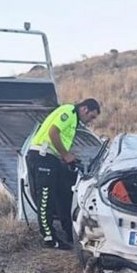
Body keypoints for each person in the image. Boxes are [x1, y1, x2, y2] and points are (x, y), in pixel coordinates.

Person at [26, 98, 101, 249]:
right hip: (42, 157)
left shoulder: (74, 120)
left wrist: (67, 157)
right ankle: (49, 238)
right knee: (46, 199)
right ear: (85, 109)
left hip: (51, 158)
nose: (90, 121)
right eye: (91, 116)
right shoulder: (69, 112)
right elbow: (53, 132)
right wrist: (66, 155)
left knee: (63, 195)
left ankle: (69, 233)